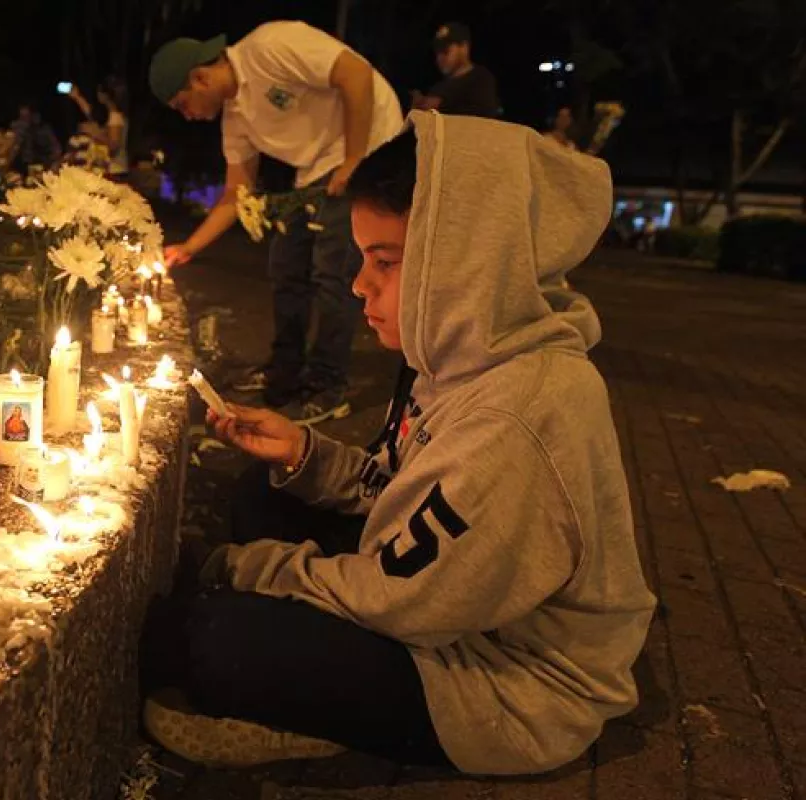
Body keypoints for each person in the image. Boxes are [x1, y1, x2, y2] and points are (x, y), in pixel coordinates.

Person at [141, 111, 656, 774]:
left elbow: (405, 598)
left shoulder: (522, 413)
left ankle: (336, 730)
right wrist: (305, 455)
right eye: (361, 259)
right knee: (260, 492)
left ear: (468, 260)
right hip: (452, 603)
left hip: (512, 678)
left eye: (384, 262)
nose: (359, 286)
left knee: (216, 639)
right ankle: (312, 685)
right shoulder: (457, 350)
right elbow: (399, 489)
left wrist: (246, 570)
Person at [149, 21, 404, 424]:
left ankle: (326, 386)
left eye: (183, 105)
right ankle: (283, 373)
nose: (188, 117)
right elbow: (237, 195)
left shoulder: (269, 47)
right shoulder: (236, 118)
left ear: (199, 77)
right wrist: (189, 247)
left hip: (369, 142)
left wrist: (355, 158)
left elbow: (354, 72)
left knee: (331, 270)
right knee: (285, 264)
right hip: (316, 169)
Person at [410, 22, 501, 118]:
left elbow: (483, 115)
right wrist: (417, 110)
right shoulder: (437, 88)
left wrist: (440, 106)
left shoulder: (481, 78)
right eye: (437, 52)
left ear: (464, 48)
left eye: (445, 51)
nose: (439, 57)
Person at [66, 77, 130, 178]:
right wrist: (77, 97)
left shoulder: (115, 116)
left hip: (116, 170)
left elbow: (114, 145)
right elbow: (91, 114)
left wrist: (94, 133)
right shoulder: (111, 114)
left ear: (104, 95)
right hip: (112, 169)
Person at [8, 104, 61, 173]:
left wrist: (52, 161)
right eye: (22, 117)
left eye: (27, 116)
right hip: (20, 166)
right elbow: (12, 149)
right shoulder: (16, 129)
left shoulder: (44, 130)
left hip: (42, 164)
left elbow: (56, 148)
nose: (24, 120)